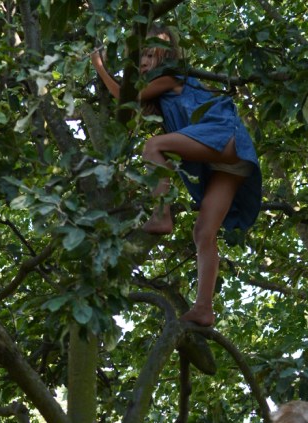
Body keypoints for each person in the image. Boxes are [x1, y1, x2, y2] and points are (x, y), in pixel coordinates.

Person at [91, 25, 262, 327]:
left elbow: (125, 97)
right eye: (140, 57)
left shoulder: (172, 75)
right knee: (203, 233)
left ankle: (161, 215)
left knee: (154, 146)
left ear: (166, 56)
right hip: (231, 159)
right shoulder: (162, 96)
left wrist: (100, 67)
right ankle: (204, 308)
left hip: (224, 136)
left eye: (150, 55)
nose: (144, 62)